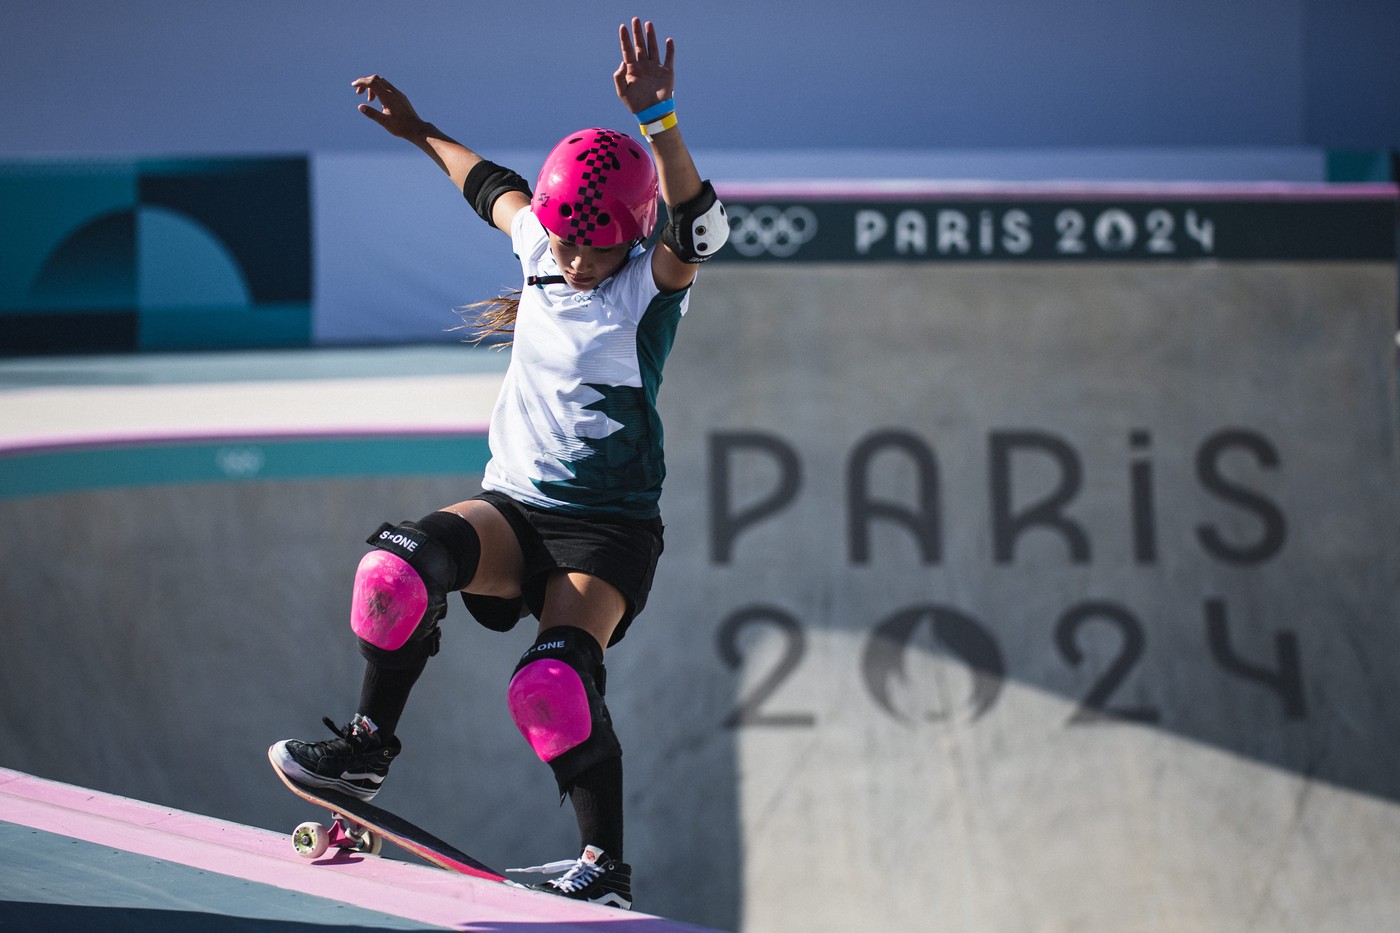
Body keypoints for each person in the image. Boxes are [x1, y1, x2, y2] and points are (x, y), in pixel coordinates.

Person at [270, 17, 727, 910]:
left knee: (550, 685)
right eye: (566, 240)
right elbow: (491, 187)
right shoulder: (541, 242)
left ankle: (602, 867)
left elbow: (699, 227)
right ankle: (368, 744)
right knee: (391, 574)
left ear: (630, 239)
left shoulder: (646, 287)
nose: (574, 257)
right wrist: (415, 128)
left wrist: (660, 121)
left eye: (595, 246)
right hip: (513, 510)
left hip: (607, 534)